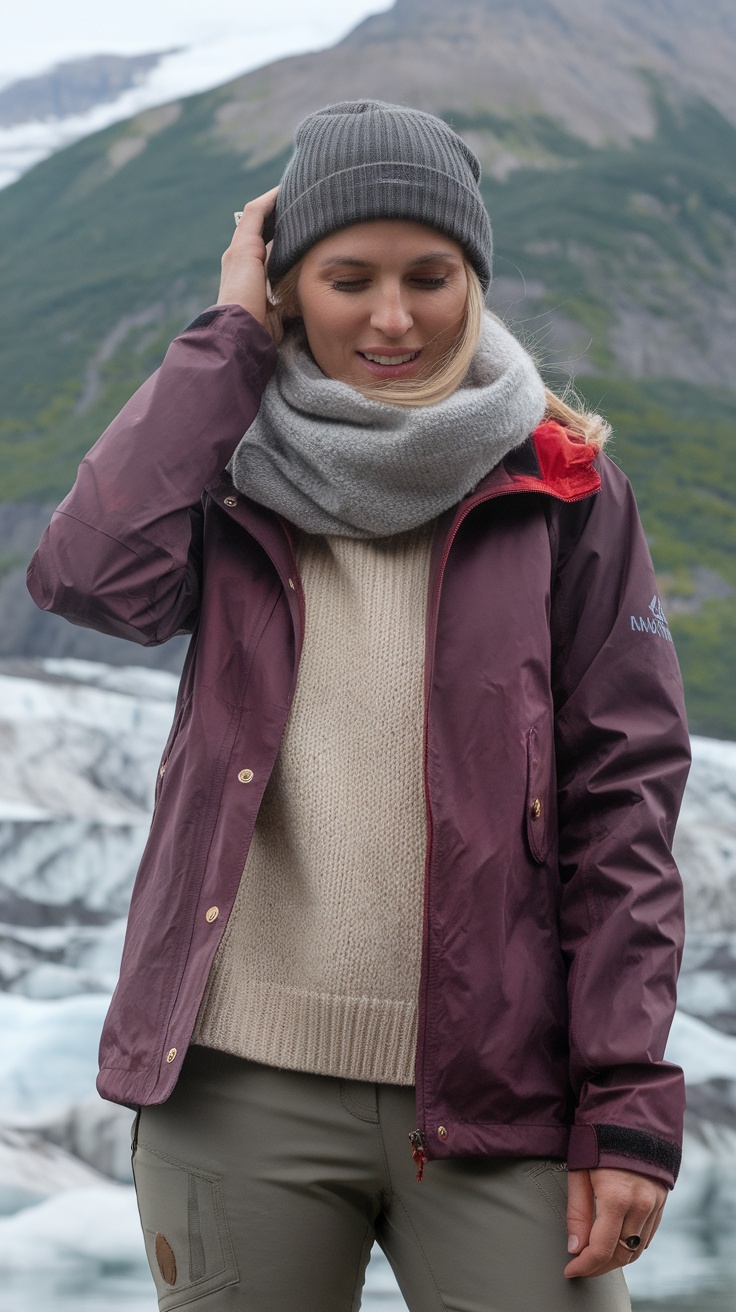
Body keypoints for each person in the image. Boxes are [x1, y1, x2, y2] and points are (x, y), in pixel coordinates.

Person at [27, 101, 690, 1312]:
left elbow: (623, 813)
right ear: (290, 288)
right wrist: (228, 334)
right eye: (348, 277)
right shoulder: (227, 472)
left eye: (429, 275)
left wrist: (630, 1102)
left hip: (502, 1093)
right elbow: (89, 573)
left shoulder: (565, 485)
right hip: (237, 1088)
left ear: (473, 281)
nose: (393, 317)